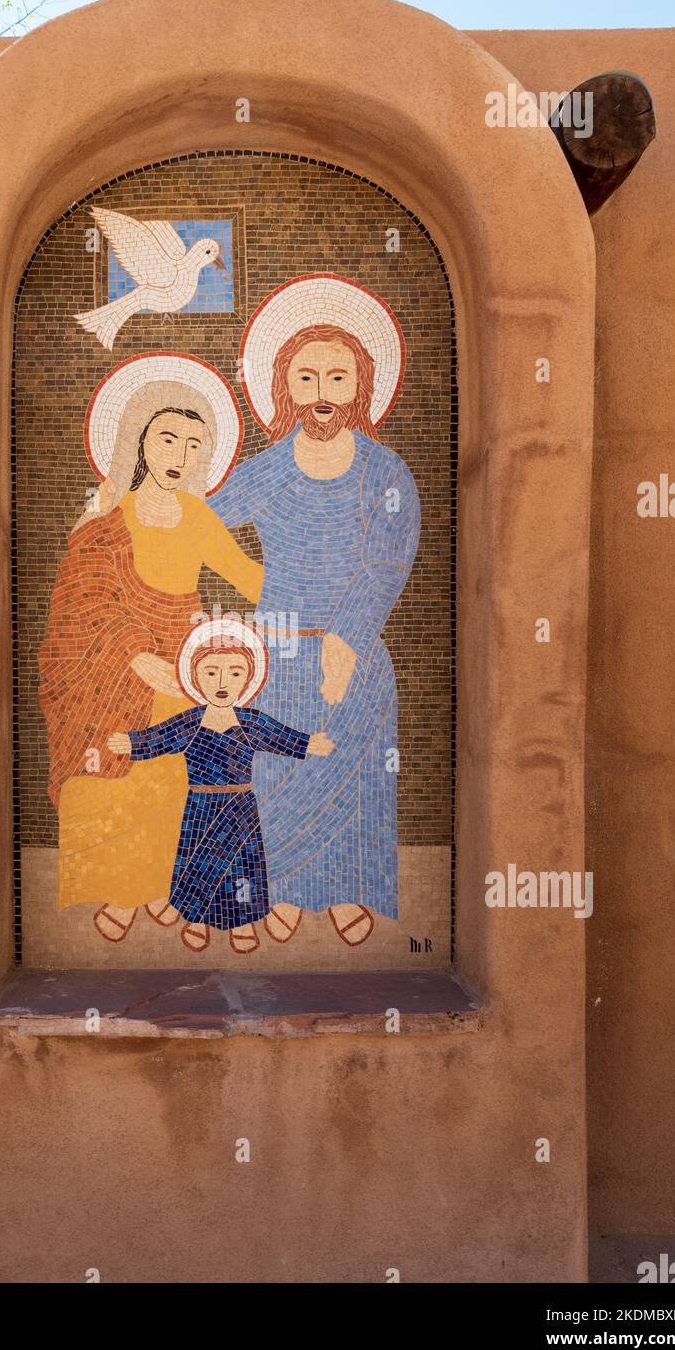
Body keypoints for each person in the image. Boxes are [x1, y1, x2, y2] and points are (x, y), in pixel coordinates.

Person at [210, 276, 420, 946]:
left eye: (337, 377)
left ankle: (351, 891)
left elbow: (387, 563)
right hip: (278, 655)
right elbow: (208, 527)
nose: (323, 393)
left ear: (361, 387)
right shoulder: (267, 471)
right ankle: (288, 892)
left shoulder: (385, 473)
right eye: (307, 377)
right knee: (276, 776)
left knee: (352, 777)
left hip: (354, 657)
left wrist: (347, 639)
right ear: (286, 386)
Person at [39, 359, 261, 942]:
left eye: (193, 445)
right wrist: (136, 657)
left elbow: (248, 577)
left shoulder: (197, 515)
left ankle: (166, 885)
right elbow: (86, 600)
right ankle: (120, 890)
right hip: (119, 668)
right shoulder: (111, 521)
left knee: (172, 776)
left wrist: (317, 586)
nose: (179, 456)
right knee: (121, 775)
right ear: (140, 441)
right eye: (168, 438)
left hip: (182, 664)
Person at [109, 620, 333, 953]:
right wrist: (132, 743)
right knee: (198, 860)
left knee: (240, 867)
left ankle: (242, 924)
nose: (222, 682)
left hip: (240, 806)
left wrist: (308, 743)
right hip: (200, 807)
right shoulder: (191, 721)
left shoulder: (250, 721)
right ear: (196, 677)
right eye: (212, 672)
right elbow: (160, 737)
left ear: (248, 678)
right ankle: (196, 920)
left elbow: (280, 737)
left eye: (234, 673)